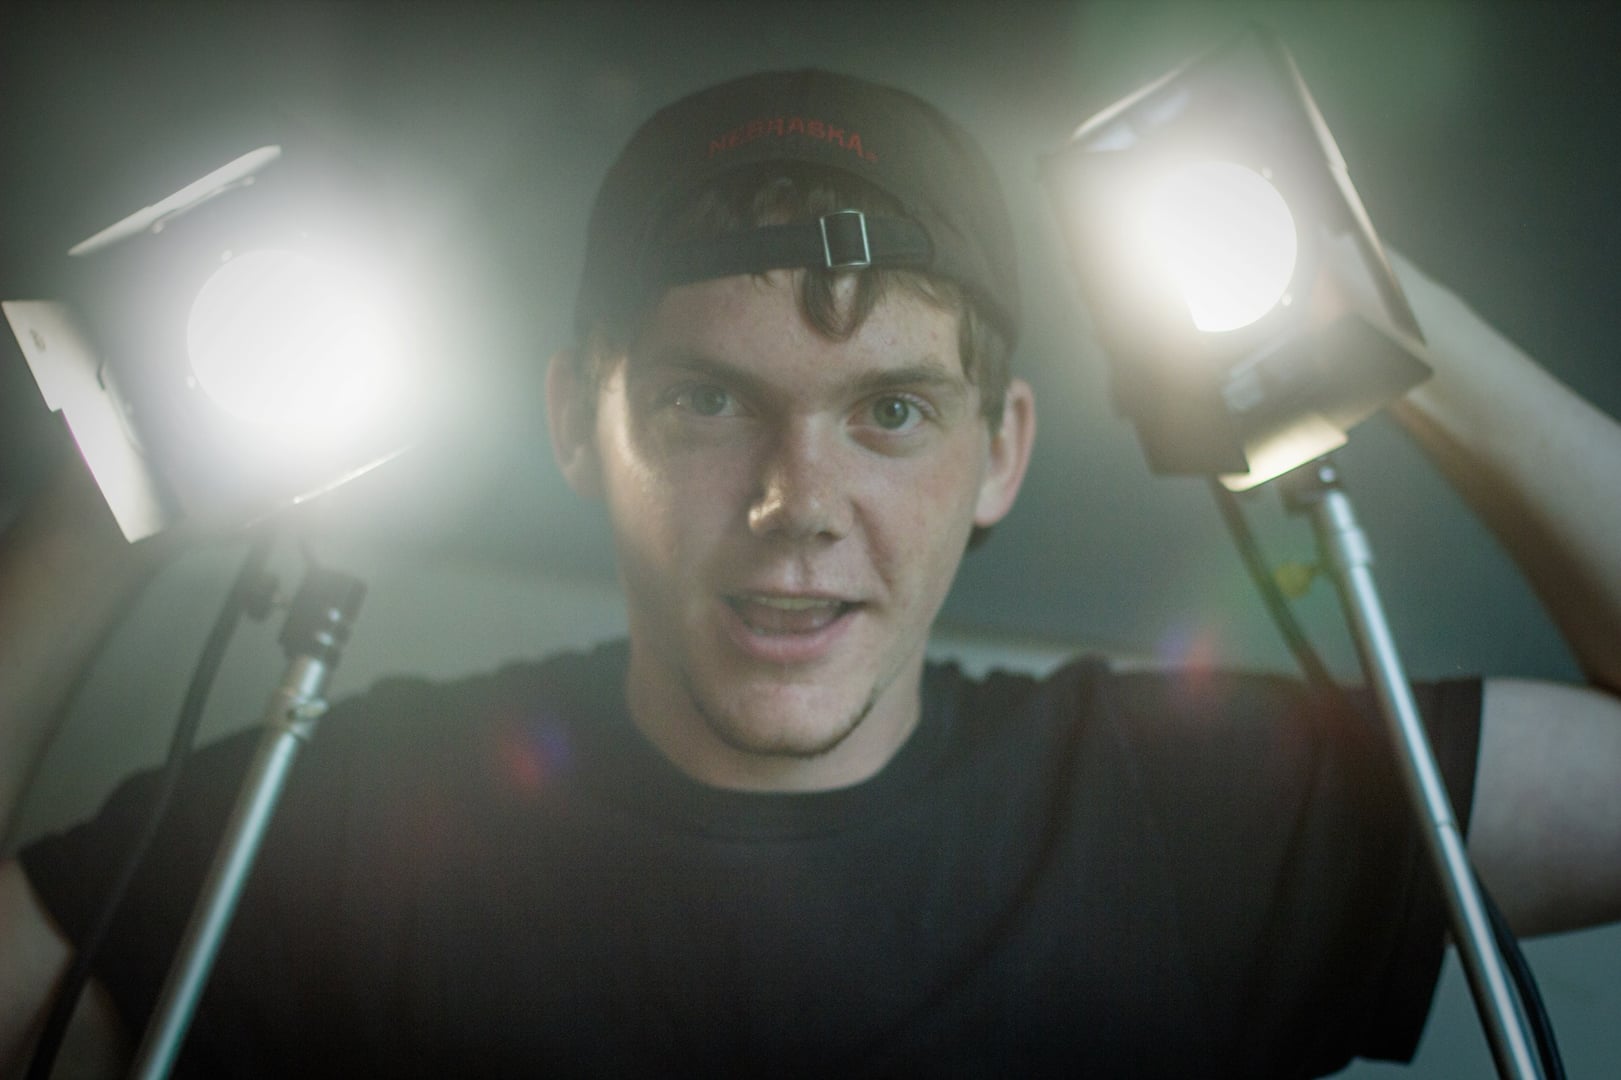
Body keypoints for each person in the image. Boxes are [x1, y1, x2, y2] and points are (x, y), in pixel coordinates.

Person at [1, 68, 1618, 1078]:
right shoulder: (346, 821)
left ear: (1001, 451)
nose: (797, 503)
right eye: (708, 403)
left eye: (891, 411)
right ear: (576, 425)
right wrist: (105, 488)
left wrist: (1364, 305)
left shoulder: (1191, 808)